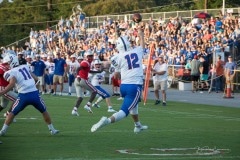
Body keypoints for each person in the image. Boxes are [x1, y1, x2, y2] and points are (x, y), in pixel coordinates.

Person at [91, 25, 148, 133]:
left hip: (124, 86)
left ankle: (137, 125)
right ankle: (107, 121)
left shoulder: (116, 57)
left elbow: (116, 75)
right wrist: (141, 35)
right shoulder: (136, 51)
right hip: (134, 85)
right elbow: (142, 45)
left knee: (133, 105)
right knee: (124, 111)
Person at [0, 54, 59, 136]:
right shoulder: (25, 67)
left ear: (12, 62)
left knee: (12, 113)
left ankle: (3, 131)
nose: (6, 65)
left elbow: (12, 84)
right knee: (44, 111)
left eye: (7, 63)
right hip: (34, 94)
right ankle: (52, 129)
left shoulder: (10, 72)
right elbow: (36, 79)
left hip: (23, 96)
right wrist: (31, 86)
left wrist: (2, 92)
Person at [71, 51, 104, 116]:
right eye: (89, 56)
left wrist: (99, 71)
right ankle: (88, 105)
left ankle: (74, 110)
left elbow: (89, 71)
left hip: (77, 81)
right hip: (81, 79)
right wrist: (78, 76)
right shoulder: (85, 62)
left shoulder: (87, 63)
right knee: (95, 91)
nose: (91, 57)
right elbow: (78, 68)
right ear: (86, 57)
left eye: (91, 56)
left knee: (80, 97)